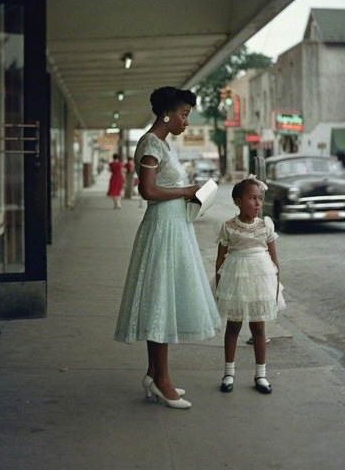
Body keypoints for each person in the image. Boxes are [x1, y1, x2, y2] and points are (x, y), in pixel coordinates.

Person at [114, 86, 221, 409]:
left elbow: (162, 185)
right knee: (160, 300)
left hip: (175, 226)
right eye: (184, 115)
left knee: (165, 299)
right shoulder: (150, 143)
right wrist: (187, 189)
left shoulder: (162, 145)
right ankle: (162, 380)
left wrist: (190, 194)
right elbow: (146, 191)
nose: (186, 122)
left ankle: (153, 373)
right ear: (167, 114)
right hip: (162, 227)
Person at [214, 177, 285, 395]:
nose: (257, 204)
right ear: (238, 201)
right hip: (236, 279)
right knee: (233, 326)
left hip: (260, 280)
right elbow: (220, 260)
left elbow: (274, 261)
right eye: (252, 198)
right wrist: (219, 288)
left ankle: (261, 374)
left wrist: (275, 287)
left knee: (259, 327)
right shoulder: (228, 227)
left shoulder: (265, 226)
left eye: (259, 199)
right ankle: (228, 372)